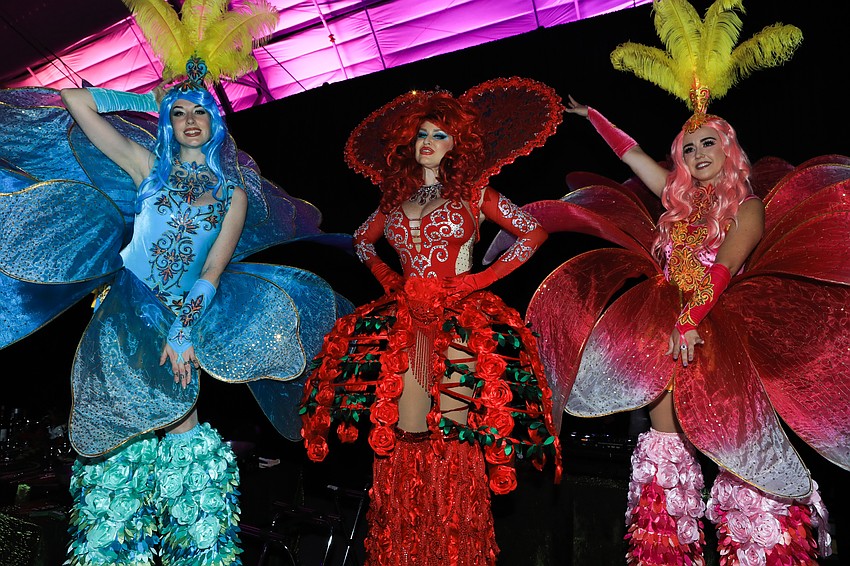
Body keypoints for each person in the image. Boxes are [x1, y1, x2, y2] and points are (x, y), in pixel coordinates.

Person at [300, 78, 564, 565]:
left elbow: (534, 232)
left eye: (440, 134)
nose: (429, 142)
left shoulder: (476, 193)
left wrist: (474, 281)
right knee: (403, 438)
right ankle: (405, 552)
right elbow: (361, 241)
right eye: (422, 133)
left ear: (456, 143)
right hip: (405, 325)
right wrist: (386, 277)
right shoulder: (392, 201)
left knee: (453, 435)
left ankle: (452, 552)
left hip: (457, 323)